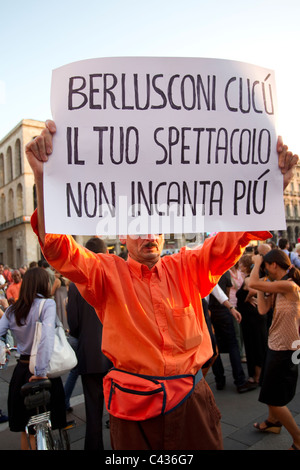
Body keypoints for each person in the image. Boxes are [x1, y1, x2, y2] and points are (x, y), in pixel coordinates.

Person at [25, 120, 298, 450]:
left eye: (153, 226)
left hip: (191, 403)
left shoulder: (187, 265)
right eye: (136, 227)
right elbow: (57, 247)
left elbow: (233, 236)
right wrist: (43, 178)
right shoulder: (104, 272)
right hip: (134, 414)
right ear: (122, 237)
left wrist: (271, 188)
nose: (146, 234)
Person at [0, 267, 66, 450]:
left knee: (25, 428)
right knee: (50, 422)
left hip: (21, 370)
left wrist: (3, 350)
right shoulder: (47, 304)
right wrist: (41, 371)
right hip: (42, 370)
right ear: (43, 284)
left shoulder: (13, 309)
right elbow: (46, 337)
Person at [249, 250, 300, 450]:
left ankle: (297, 439)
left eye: (265, 266)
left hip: (286, 349)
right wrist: (264, 286)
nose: (264, 269)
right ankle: (273, 421)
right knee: (268, 389)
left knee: (274, 397)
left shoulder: (289, 285)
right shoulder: (278, 287)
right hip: (276, 345)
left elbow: (251, 284)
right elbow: (262, 310)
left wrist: (255, 263)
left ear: (273, 265)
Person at [66, 237, 112, 450]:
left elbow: (73, 325)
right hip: (116, 355)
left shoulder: (77, 285)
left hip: (90, 355)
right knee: (119, 411)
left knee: (93, 412)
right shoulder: (116, 279)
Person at [209, 272, 255, 392]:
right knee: (232, 344)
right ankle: (239, 380)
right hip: (220, 310)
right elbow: (222, 291)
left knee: (214, 347)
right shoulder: (222, 272)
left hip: (208, 311)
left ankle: (219, 380)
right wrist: (230, 307)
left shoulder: (201, 269)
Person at [236, 254, 268, 385]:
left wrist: (248, 297)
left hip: (251, 318)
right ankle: (259, 375)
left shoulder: (249, 279)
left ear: (244, 265)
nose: (238, 266)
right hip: (252, 317)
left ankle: (257, 376)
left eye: (240, 264)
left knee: (254, 346)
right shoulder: (253, 276)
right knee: (257, 344)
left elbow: (253, 289)